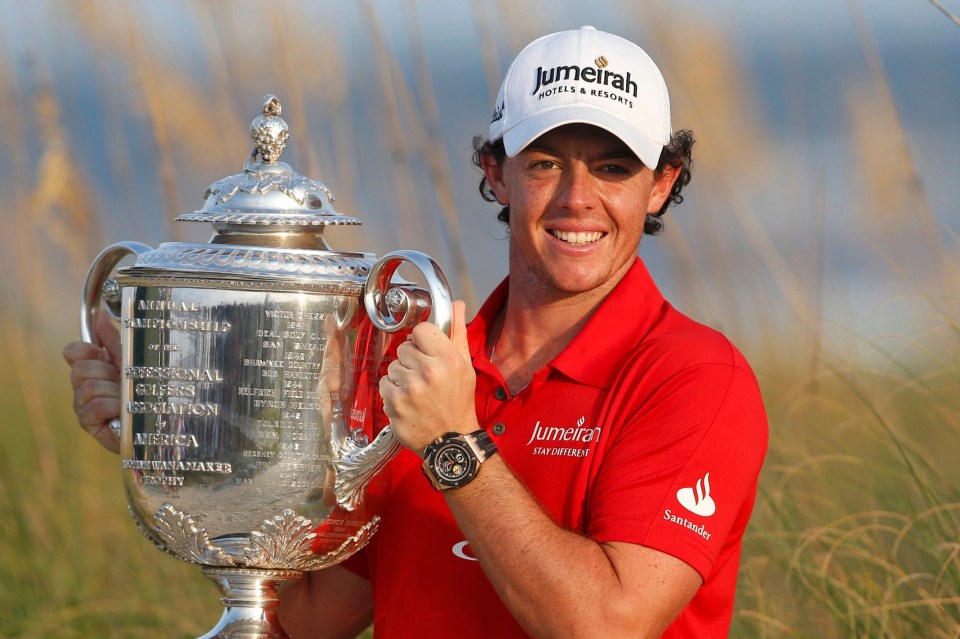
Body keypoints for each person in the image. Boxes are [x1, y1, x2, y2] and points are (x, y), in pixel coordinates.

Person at [64, 26, 768, 638]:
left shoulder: (695, 379)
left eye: (613, 167)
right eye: (546, 162)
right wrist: (181, 443)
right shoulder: (413, 365)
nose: (578, 198)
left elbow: (605, 624)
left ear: (661, 184)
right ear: (496, 174)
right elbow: (305, 621)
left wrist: (450, 445)